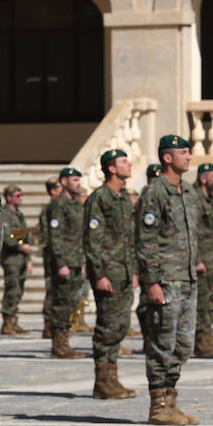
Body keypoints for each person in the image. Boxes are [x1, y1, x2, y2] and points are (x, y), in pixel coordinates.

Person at [135, 135, 200, 425]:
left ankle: (171, 399)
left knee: (183, 344)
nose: (188, 157)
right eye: (182, 152)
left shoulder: (188, 191)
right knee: (162, 342)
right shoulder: (155, 192)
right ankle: (158, 405)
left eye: (188, 152)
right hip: (166, 280)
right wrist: (152, 282)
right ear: (167, 158)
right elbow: (146, 240)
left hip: (186, 279)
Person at [82, 149, 137, 400]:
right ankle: (102, 381)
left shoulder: (123, 198)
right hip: (108, 274)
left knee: (120, 325)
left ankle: (112, 378)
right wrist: (100, 274)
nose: (129, 164)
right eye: (124, 161)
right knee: (107, 326)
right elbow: (93, 240)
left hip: (124, 272)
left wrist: (133, 270)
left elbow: (129, 239)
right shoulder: (100, 198)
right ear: (112, 168)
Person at [43, 167, 86, 358]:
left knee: (70, 303)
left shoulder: (76, 204)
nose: (78, 183)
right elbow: (56, 236)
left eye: (78, 180)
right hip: (65, 262)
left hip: (76, 260)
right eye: (74, 180)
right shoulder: (58, 205)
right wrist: (61, 263)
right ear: (64, 182)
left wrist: (83, 260)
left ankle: (64, 342)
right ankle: (59, 346)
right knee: (61, 304)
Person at [192, 162, 213, 356]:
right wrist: (197, 260)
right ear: (203, 178)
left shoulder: (210, 200)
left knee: (212, 301)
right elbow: (193, 231)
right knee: (202, 302)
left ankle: (207, 337)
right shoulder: (196, 199)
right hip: (203, 260)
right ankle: (200, 340)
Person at [0, 185, 33, 336]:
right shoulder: (5, 214)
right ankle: (7, 322)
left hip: (21, 259)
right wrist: (20, 247)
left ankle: (14, 320)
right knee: (12, 289)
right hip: (11, 258)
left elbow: (25, 235)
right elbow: (6, 236)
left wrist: (29, 259)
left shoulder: (19, 214)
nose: (21, 198)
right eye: (17, 195)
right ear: (9, 197)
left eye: (21, 195)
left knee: (18, 290)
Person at [37, 178, 61, 338]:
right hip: (52, 256)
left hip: (58, 255)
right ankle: (48, 324)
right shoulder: (50, 209)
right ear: (53, 190)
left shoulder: (58, 207)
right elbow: (49, 235)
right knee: (52, 289)